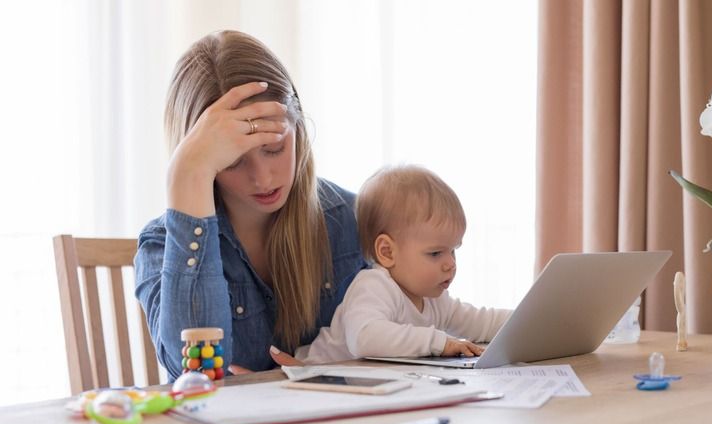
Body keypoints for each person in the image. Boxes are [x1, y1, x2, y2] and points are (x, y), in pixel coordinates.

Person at [134, 30, 366, 380]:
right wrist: (184, 176)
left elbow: (410, 340)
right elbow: (194, 375)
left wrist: (320, 375)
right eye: (233, 161)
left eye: (274, 148)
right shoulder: (162, 245)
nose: (263, 178)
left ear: (298, 129)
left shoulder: (351, 219)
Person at [292, 165, 513, 364]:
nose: (450, 264)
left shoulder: (434, 299)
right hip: (313, 379)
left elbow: (480, 321)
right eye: (435, 253)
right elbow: (364, 338)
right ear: (387, 252)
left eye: (453, 250)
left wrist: (531, 322)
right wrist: (439, 342)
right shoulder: (374, 286)